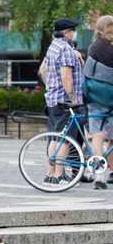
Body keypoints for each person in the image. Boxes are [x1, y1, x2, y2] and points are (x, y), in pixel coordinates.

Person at [39, 17, 84, 185]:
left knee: (55, 138)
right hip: (65, 102)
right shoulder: (66, 49)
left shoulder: (53, 47)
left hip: (52, 99)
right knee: (66, 139)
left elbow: (42, 70)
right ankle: (59, 175)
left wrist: (51, 87)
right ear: (66, 32)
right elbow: (66, 77)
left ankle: (50, 174)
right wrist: (73, 98)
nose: (74, 33)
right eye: (72, 30)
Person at [82, 15, 113, 190]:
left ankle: (99, 174)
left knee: (97, 135)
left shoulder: (93, 48)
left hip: (94, 98)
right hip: (112, 99)